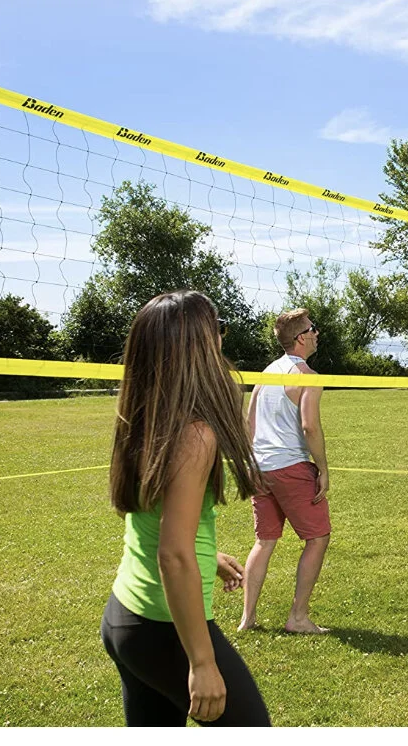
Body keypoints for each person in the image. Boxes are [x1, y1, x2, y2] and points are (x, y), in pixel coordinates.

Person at [100, 290, 271, 726]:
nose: (221, 340)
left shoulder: (145, 414)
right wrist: (201, 662)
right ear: (197, 344)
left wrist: (205, 554)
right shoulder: (194, 434)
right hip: (162, 628)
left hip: (125, 617)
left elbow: (156, 520)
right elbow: (173, 556)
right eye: (217, 329)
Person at [238, 308, 331, 634]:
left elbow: (248, 424)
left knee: (264, 541)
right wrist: (322, 468)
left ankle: (247, 620)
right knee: (318, 538)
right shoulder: (308, 376)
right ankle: (298, 617)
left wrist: (251, 465)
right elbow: (309, 427)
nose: (317, 333)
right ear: (302, 337)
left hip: (260, 468)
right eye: (313, 328)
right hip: (289, 467)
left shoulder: (267, 373)